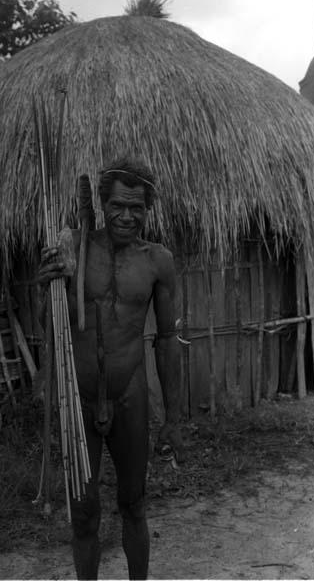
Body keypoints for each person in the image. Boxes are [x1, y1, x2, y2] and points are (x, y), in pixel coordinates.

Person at [38, 158, 183, 580]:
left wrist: (173, 419)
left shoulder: (158, 261)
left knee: (134, 505)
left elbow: (169, 340)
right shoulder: (72, 246)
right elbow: (51, 314)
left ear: (148, 209)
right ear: (101, 203)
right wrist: (46, 280)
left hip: (130, 398)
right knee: (83, 515)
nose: (126, 216)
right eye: (118, 205)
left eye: (136, 208)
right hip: (77, 400)